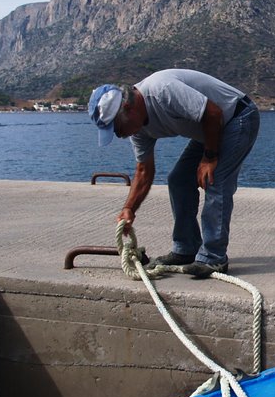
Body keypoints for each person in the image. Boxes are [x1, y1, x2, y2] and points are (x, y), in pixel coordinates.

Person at [88, 69, 260, 277]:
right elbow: (143, 171)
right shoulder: (138, 129)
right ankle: (186, 249)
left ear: (127, 108)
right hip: (210, 128)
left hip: (237, 117)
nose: (119, 135)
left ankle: (214, 258)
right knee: (179, 180)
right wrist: (129, 208)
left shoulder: (161, 91)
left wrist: (210, 157)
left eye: (116, 127)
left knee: (215, 180)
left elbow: (213, 112)